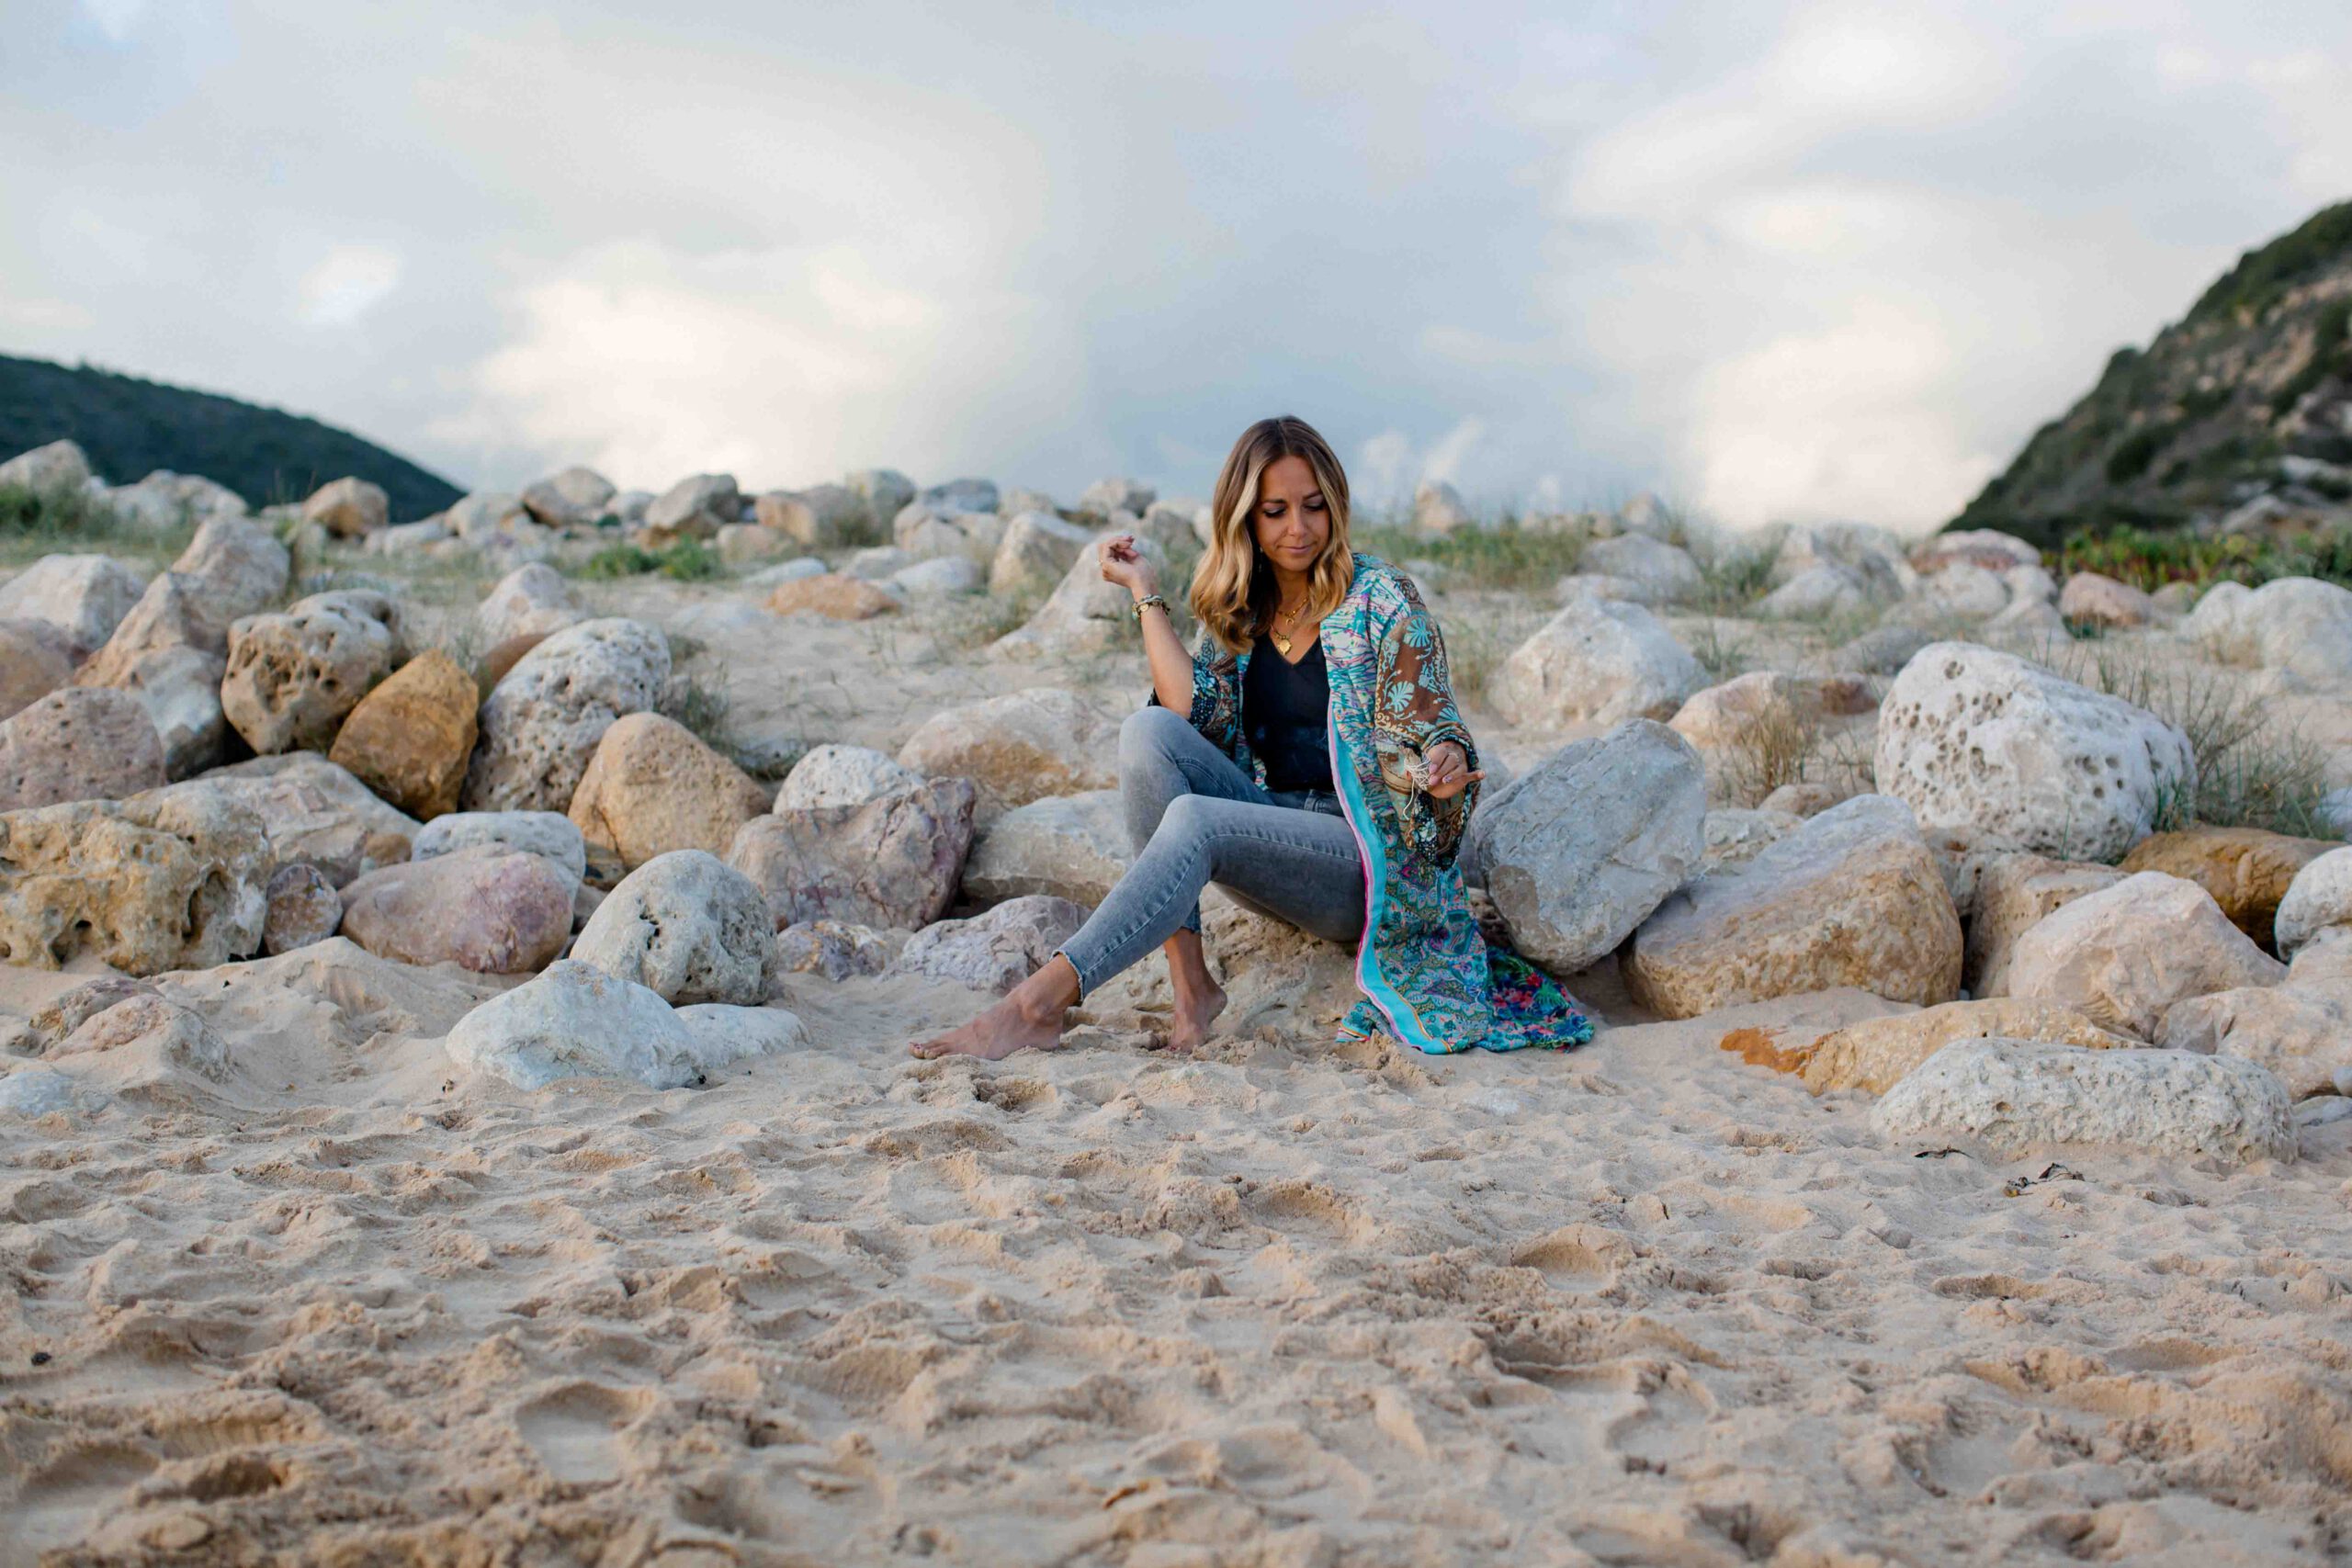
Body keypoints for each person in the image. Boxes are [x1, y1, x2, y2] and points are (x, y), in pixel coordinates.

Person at [911, 414, 1590, 1060]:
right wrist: (1144, 591)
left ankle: (1037, 1004)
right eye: (1276, 511)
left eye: (1314, 506)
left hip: (1361, 862)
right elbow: (1192, 716)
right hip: (1273, 837)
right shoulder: (1244, 609)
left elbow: (1434, 723)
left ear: (1336, 506)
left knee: (1196, 819)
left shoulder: (1384, 600)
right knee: (1147, 731)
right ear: (1245, 517)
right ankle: (1192, 990)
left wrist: (1443, 764)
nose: (1299, 527)